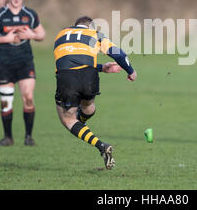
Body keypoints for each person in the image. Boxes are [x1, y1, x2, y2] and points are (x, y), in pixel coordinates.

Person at [54, 16, 137, 170]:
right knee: (89, 107)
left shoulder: (61, 35)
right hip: (89, 78)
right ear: (91, 27)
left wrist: (101, 67)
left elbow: (68, 60)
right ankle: (81, 124)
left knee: (67, 120)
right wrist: (131, 71)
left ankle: (101, 145)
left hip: (67, 76)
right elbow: (118, 53)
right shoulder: (95, 35)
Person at [0, 0, 46, 146]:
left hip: (25, 62)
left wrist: (31, 35)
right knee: (6, 102)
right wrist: (6, 38)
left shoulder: (30, 15)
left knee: (28, 97)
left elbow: (41, 34)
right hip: (4, 64)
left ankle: (28, 137)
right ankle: (8, 137)